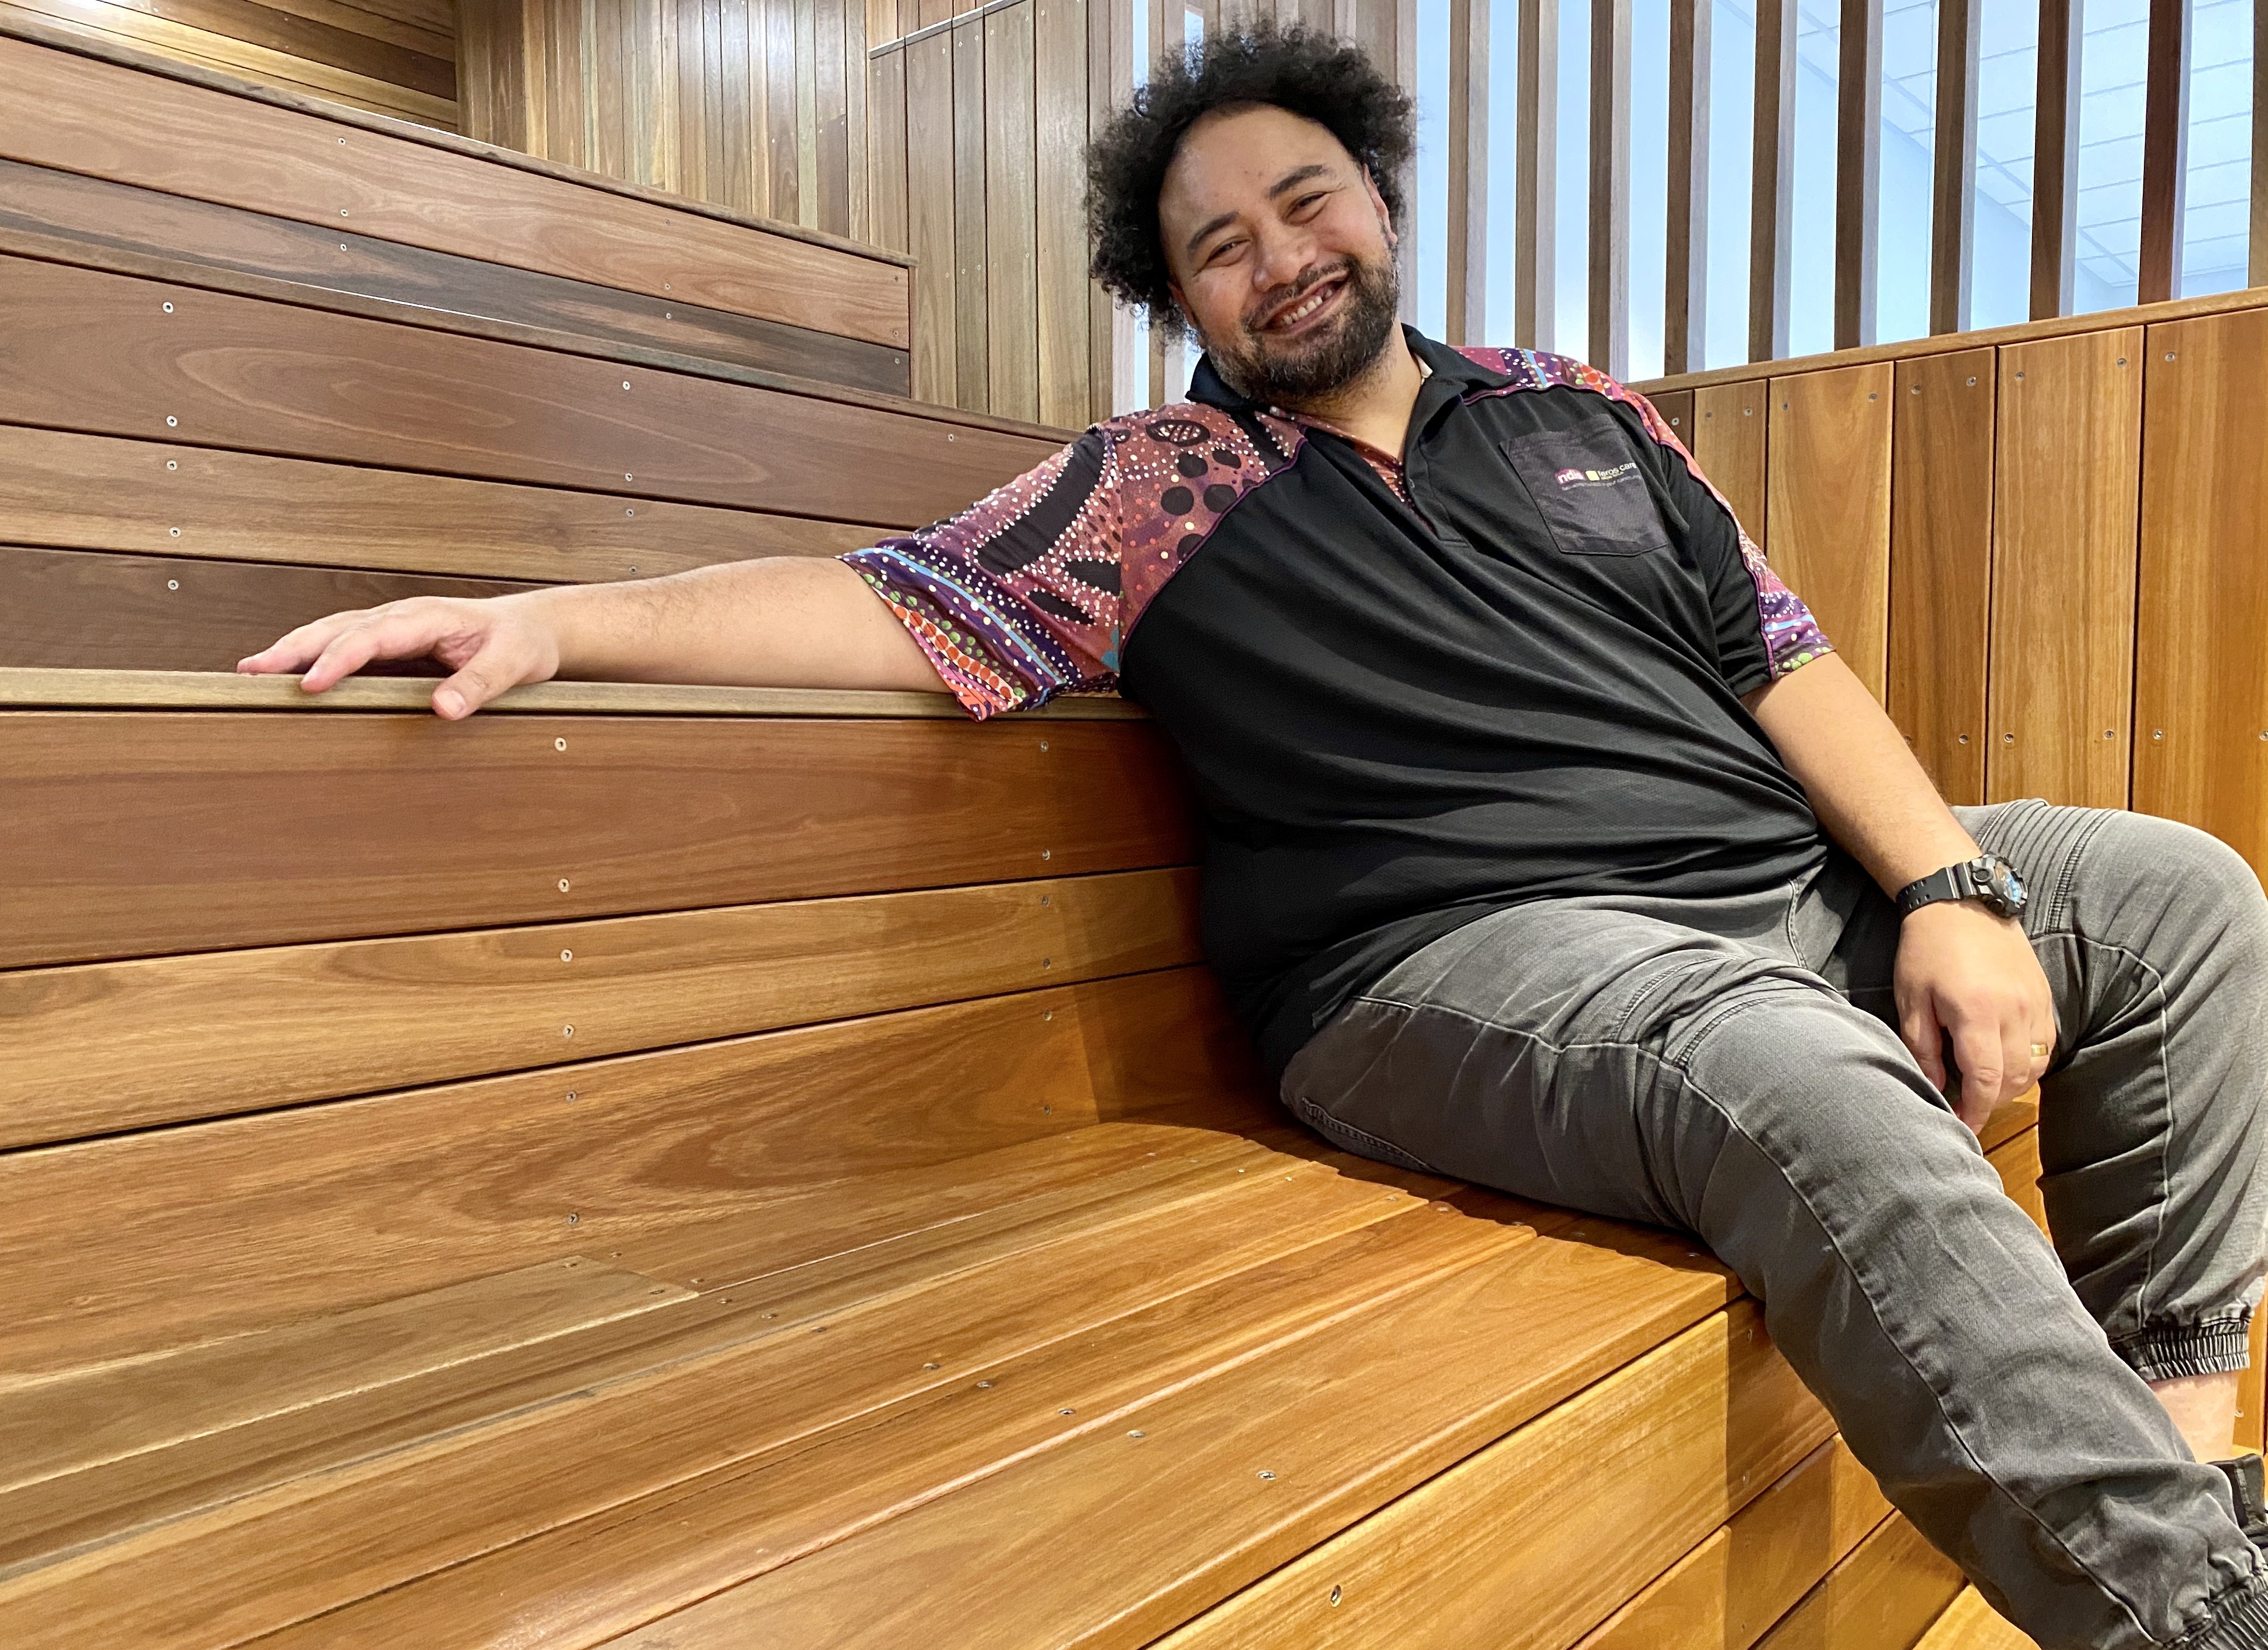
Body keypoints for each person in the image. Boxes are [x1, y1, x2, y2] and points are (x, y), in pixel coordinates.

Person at [240, 23, 2268, 1647]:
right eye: (1223, 242)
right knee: (1797, 1068)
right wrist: (553, 622)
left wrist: (1948, 882)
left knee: (2178, 893)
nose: (1281, 252)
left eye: (1307, 200)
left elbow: (1786, 661)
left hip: (1767, 891)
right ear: (1182, 293)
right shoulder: (1159, 484)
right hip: (1464, 962)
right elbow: (891, 600)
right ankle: (2188, 1617)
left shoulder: (1580, 410)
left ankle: (2180, 1428)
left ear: (1378, 199)